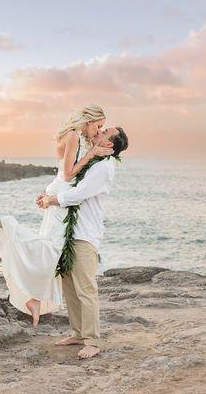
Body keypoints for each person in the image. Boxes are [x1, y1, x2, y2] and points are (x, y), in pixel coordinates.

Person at [0, 105, 113, 328]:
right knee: (51, 248)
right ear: (88, 121)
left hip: (60, 192)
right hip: (62, 192)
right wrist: (93, 153)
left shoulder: (76, 136)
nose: (98, 130)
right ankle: (8, 224)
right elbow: (68, 173)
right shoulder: (73, 135)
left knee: (56, 252)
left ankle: (35, 300)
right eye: (98, 126)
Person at [38, 126, 128, 359]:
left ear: (109, 144)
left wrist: (51, 200)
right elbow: (68, 182)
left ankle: (92, 341)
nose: (98, 132)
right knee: (70, 287)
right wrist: (49, 194)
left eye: (104, 131)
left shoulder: (103, 166)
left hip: (84, 235)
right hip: (69, 232)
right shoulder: (91, 161)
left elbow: (79, 194)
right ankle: (78, 333)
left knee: (86, 289)